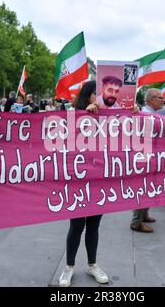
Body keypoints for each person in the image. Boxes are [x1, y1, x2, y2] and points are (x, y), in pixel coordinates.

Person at [59, 80, 109, 287]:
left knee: (94, 225)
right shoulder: (74, 115)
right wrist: (84, 117)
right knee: (77, 225)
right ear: (88, 95)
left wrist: (133, 112)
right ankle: (68, 267)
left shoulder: (110, 117)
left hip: (99, 180)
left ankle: (92, 264)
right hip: (78, 181)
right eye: (97, 93)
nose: (101, 97)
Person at [130, 88, 164, 233]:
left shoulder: (152, 114)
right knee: (143, 187)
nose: (163, 100)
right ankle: (136, 222)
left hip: (150, 155)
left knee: (149, 187)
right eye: (160, 97)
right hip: (144, 156)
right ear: (151, 100)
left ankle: (144, 214)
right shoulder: (144, 114)